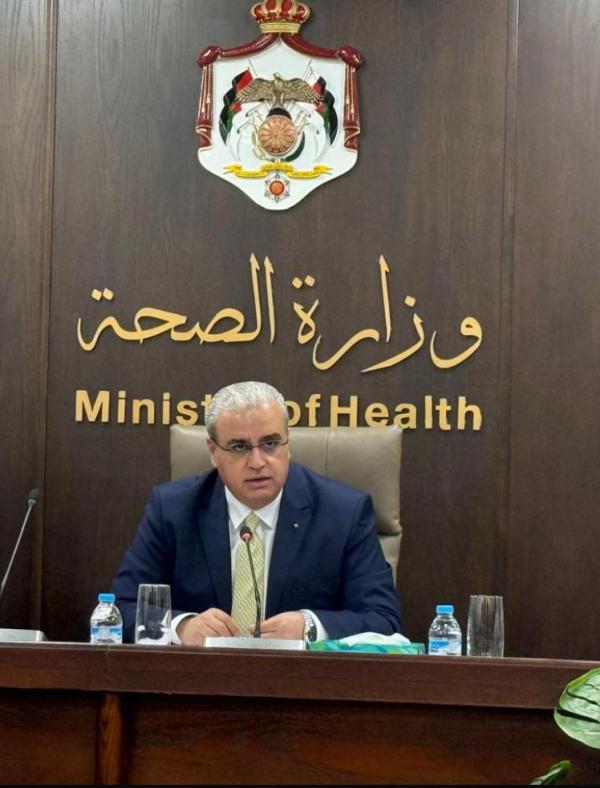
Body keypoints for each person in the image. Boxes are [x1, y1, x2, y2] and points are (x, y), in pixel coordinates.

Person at [112, 381, 402, 645]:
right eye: (239, 447)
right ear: (213, 452)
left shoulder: (343, 512)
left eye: (270, 444)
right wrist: (182, 627)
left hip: (303, 680)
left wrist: (310, 626)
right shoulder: (173, 509)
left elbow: (383, 620)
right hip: (199, 680)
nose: (257, 462)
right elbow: (119, 609)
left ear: (288, 443)